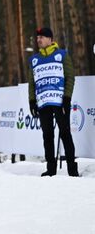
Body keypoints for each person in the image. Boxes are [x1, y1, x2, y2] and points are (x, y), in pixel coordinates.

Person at [28, 27, 78, 177]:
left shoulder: (62, 55)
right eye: (37, 38)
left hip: (60, 102)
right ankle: (51, 169)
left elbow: (70, 77)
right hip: (43, 103)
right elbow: (32, 83)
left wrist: (67, 98)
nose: (39, 40)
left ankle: (72, 169)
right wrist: (32, 101)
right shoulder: (34, 60)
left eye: (42, 37)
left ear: (50, 39)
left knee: (65, 133)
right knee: (47, 135)